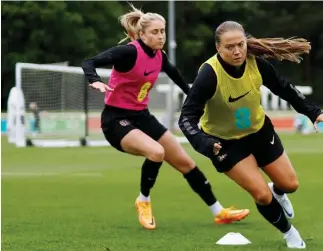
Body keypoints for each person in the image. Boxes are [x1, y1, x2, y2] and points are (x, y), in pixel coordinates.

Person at [81, 6, 249, 230]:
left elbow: (178, 78)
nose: (160, 36)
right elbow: (89, 62)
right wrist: (94, 80)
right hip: (116, 120)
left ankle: (219, 212)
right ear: (142, 34)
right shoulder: (128, 52)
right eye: (155, 32)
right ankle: (143, 200)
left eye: (163, 31)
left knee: (186, 163)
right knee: (156, 152)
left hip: (142, 117)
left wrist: (200, 100)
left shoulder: (160, 56)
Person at [178, 21, 323, 249]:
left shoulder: (256, 63)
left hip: (260, 132)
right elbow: (186, 118)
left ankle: (278, 192)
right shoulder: (209, 74)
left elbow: (283, 87)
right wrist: (204, 142)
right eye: (229, 47)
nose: (236, 51)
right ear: (218, 48)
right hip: (225, 144)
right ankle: (290, 233)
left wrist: (313, 112)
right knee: (262, 195)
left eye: (240, 45)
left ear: (246, 43)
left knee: (290, 184)